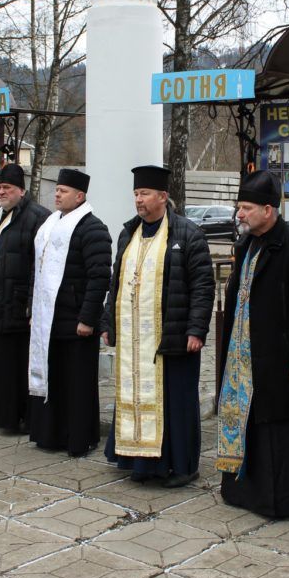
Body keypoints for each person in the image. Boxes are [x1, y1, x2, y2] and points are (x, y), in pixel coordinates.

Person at [217, 171, 289, 518]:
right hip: (244, 357)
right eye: (239, 208)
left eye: (246, 208)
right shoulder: (246, 244)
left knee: (279, 432)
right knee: (247, 424)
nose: (240, 214)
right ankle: (244, 492)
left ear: (268, 209)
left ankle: (281, 500)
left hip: (280, 360)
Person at [102, 165, 214, 487]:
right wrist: (107, 321)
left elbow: (203, 287)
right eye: (136, 194)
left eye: (145, 194)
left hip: (173, 337)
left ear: (163, 197)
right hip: (136, 340)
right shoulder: (128, 233)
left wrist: (196, 330)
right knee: (137, 397)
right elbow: (117, 281)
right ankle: (138, 461)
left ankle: (183, 466)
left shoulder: (188, 234)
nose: (139, 200)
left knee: (176, 404)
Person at [27, 168, 111, 456]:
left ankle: (79, 438)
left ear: (80, 195)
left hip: (76, 322)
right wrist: (33, 308)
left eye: (63, 191)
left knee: (77, 384)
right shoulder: (49, 224)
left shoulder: (93, 228)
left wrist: (88, 319)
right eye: (57, 190)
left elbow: (99, 277)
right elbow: (36, 271)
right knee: (56, 377)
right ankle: (51, 434)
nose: (57, 195)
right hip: (50, 319)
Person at [0, 163, 50, 431]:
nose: (2, 192)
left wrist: (29, 303)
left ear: (21, 190)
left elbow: (38, 265)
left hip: (15, 303)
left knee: (13, 364)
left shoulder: (37, 216)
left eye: (7, 188)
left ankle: (13, 417)